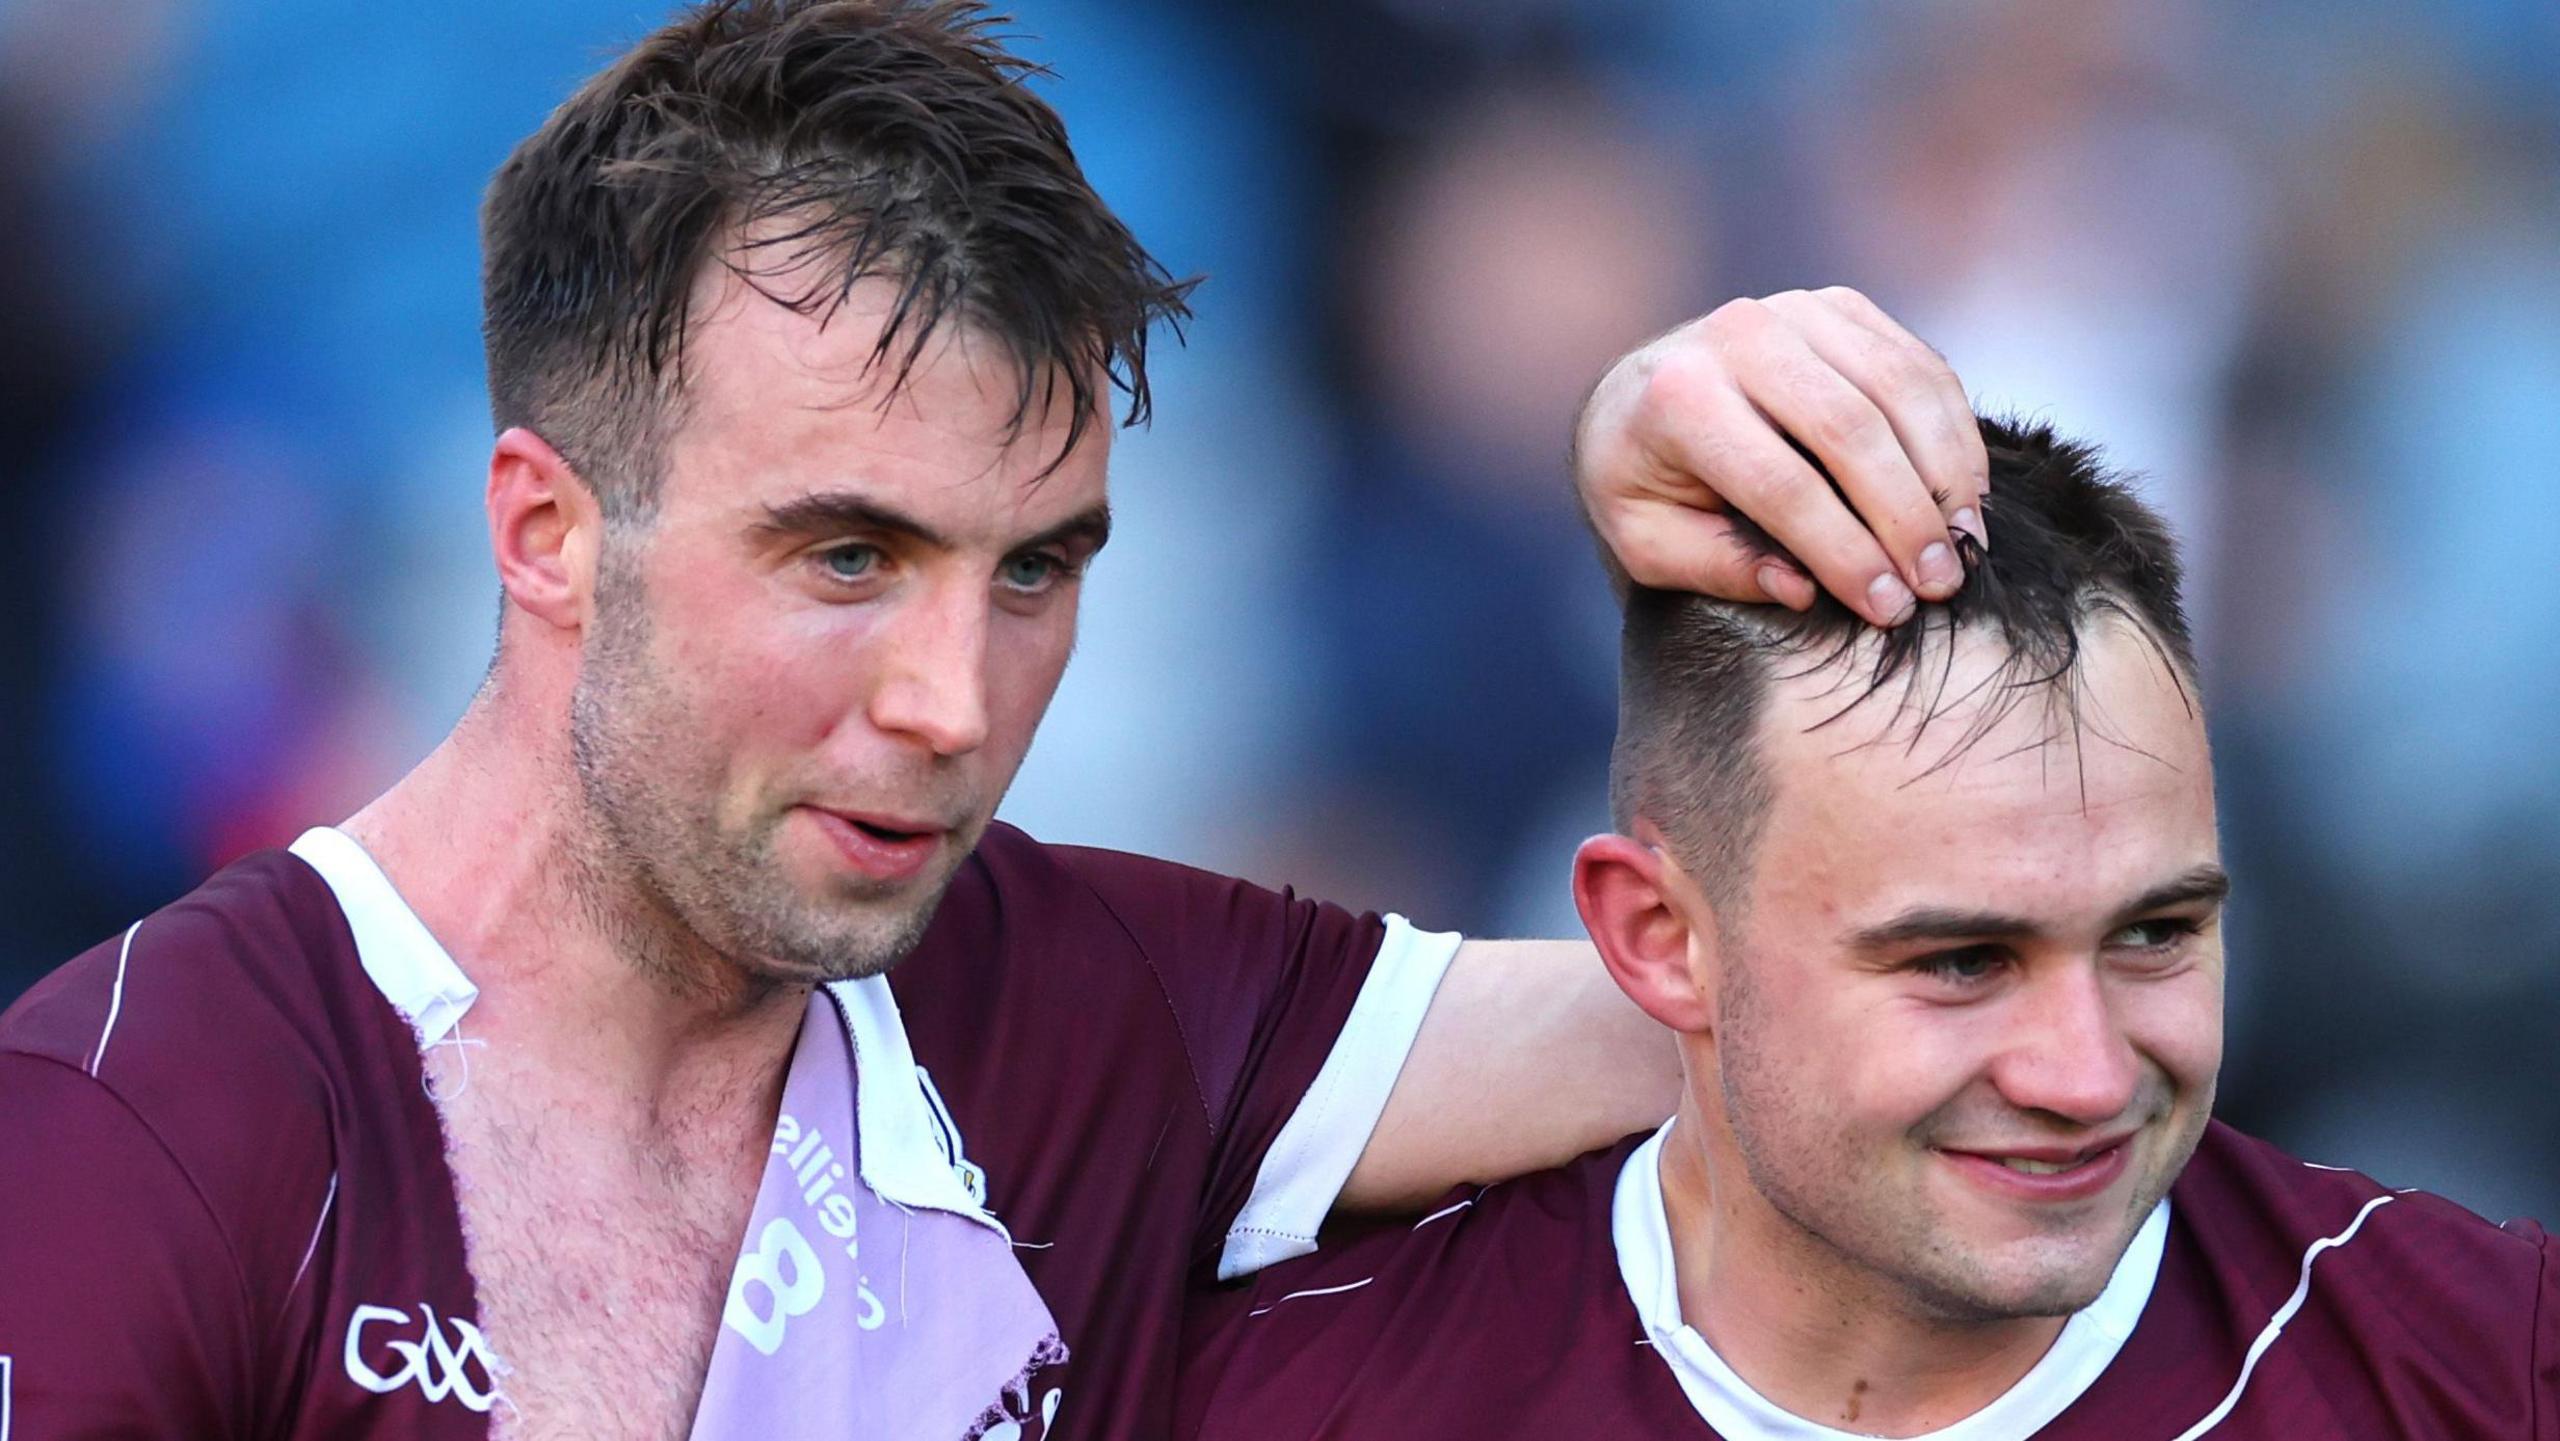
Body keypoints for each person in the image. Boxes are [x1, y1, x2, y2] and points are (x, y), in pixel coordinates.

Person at [0, 3, 1991, 1438]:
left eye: (1034, 568)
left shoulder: (1097, 1007)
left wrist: (1749, 575)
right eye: (845, 556)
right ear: (546, 533)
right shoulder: (148, 1117)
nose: (956, 704)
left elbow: (1865, 1015)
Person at [1178, 417, 2560, 1440]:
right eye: (1963, 959)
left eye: (2155, 933)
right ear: (1660, 934)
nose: (2084, 1075)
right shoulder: (1289, 1394)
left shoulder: (2491, 1368)